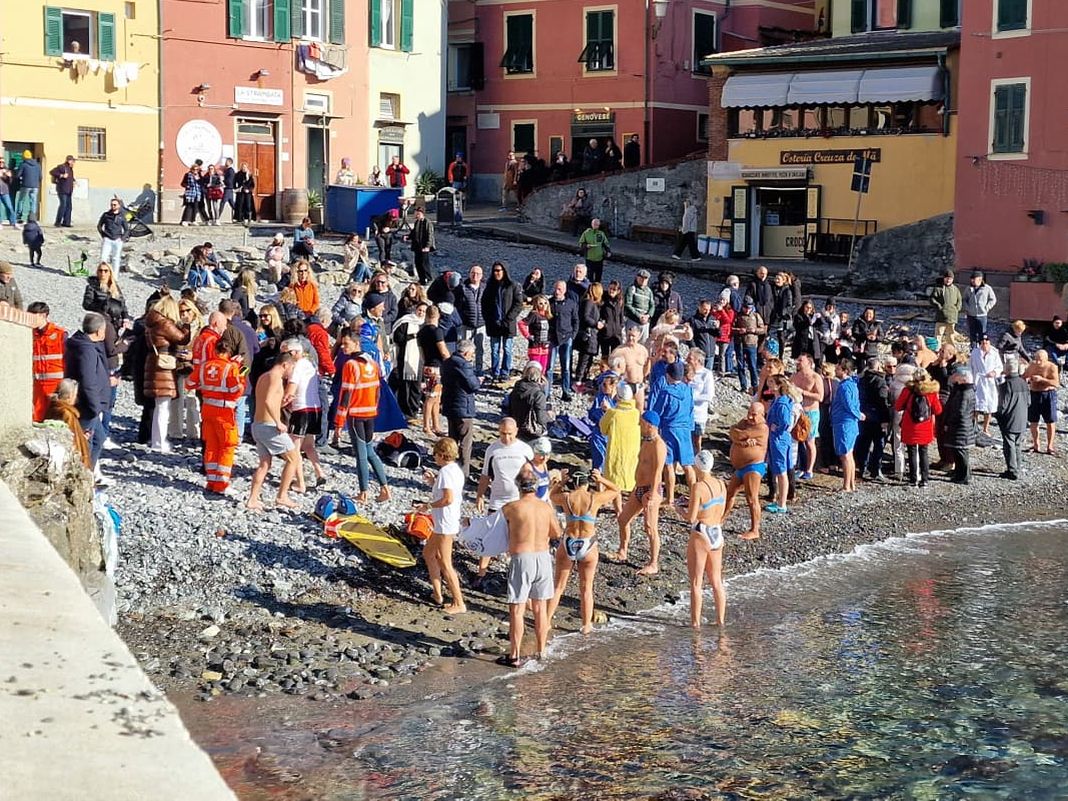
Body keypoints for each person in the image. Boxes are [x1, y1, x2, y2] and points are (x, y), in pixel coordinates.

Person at [499, 464, 561, 667]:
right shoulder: (546, 508)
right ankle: (541, 651)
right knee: (540, 607)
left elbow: (497, 532)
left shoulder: (510, 508)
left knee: (517, 609)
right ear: (535, 487)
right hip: (542, 557)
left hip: (522, 558)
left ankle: (515, 655)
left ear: (518, 486)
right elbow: (556, 534)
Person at [546, 468, 620, 634]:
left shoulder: (566, 497)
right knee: (586, 588)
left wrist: (562, 482)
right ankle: (586, 625)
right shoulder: (594, 498)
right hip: (588, 543)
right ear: (588, 482)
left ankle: (546, 621)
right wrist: (601, 479)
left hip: (569, 541)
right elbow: (616, 490)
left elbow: (551, 496)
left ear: (574, 482)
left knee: (558, 587)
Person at [334, 331, 392, 503]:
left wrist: (338, 423)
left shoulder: (351, 364)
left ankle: (363, 492)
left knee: (360, 454)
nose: (343, 347)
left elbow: (346, 395)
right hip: (370, 414)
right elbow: (377, 390)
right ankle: (385, 488)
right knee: (369, 451)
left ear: (356, 343)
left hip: (356, 414)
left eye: (346, 344)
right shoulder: (372, 363)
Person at [610, 410, 667, 575]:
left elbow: (658, 471)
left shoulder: (658, 445)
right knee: (623, 519)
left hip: (651, 490)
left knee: (650, 527)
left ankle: (653, 563)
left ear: (649, 425)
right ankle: (622, 551)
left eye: (642, 423)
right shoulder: (646, 441)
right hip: (639, 488)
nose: (639, 425)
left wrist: (652, 494)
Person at [418, 437, 467, 614]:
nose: (434, 458)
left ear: (442, 454)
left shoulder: (446, 472)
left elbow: (448, 499)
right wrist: (433, 482)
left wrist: (428, 506)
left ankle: (459, 602)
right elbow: (447, 492)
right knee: (429, 553)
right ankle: (437, 594)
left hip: (445, 522)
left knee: (446, 562)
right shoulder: (454, 470)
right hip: (446, 521)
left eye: (435, 454)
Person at [246, 352, 299, 510]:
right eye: (291, 368)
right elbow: (268, 401)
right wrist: (278, 422)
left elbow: (266, 402)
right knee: (293, 459)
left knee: (264, 464)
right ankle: (282, 496)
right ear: (285, 365)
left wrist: (283, 403)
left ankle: (252, 499)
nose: (291, 372)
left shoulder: (264, 376)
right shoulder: (276, 378)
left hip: (257, 425)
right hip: (269, 426)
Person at [193, 338, 244, 495]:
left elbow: (189, 383)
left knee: (211, 445)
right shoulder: (230, 368)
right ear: (229, 353)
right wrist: (241, 375)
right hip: (224, 412)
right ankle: (222, 484)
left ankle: (212, 481)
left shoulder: (203, 367)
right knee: (227, 446)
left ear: (215, 351)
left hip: (207, 410)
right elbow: (237, 390)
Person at [64, 313, 113, 474]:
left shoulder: (81, 344)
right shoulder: (87, 350)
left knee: (99, 439)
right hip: (86, 406)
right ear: (99, 331)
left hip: (88, 404)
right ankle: (83, 478)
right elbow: (88, 380)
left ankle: (88, 475)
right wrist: (95, 407)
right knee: (86, 444)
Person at [686, 450, 726, 628]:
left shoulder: (698, 487)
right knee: (716, 581)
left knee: (696, 582)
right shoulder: (721, 484)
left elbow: (691, 517)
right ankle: (720, 621)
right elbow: (721, 509)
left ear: (697, 466)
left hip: (702, 532)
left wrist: (678, 509)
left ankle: (695, 625)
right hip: (717, 531)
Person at [282, 338, 327, 492]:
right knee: (309, 445)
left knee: (293, 449)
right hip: (315, 408)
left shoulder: (297, 367)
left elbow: (291, 389)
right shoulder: (310, 364)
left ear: (295, 352)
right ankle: (319, 471)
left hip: (301, 409)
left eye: (286, 353)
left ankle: (300, 483)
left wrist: (278, 404)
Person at [650, 360, 695, 506]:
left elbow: (657, 412)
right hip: (685, 430)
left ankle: (669, 498)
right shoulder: (688, 390)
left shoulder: (666, 392)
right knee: (687, 464)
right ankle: (694, 495)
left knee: (669, 464)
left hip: (669, 429)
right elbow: (691, 409)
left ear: (668, 375)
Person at [722, 402, 769, 541]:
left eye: (754, 415)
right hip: (740, 467)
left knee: (752, 498)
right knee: (730, 492)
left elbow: (742, 434)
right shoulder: (745, 421)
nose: (750, 417)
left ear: (762, 415)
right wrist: (741, 441)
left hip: (753, 466)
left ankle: (755, 530)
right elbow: (732, 431)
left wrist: (740, 437)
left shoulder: (762, 428)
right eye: (749, 413)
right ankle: (721, 519)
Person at [895, 367, 942, 488]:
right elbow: (938, 410)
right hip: (925, 426)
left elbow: (898, 406)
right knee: (924, 452)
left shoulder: (908, 390)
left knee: (911, 452)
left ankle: (913, 479)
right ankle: (925, 479)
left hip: (910, 425)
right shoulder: (931, 392)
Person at [441, 339, 480, 477]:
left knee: (452, 440)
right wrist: (478, 381)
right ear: (466, 352)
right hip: (463, 407)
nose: (472, 356)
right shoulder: (464, 365)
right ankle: (463, 473)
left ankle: (448, 467)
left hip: (449, 405)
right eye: (472, 353)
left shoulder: (447, 362)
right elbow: (473, 386)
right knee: (465, 443)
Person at [481, 261, 522, 383]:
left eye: (499, 270)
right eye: (495, 270)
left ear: (504, 271)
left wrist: (509, 318)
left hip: (507, 324)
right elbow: (484, 304)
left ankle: (505, 372)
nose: (497, 273)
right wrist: (488, 319)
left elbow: (518, 304)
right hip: (494, 324)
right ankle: (495, 372)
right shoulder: (490, 286)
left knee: (507, 349)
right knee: (494, 350)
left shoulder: (513, 286)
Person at [854, 357, 891, 481]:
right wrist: (886, 418)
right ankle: (876, 469)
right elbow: (882, 401)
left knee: (864, 443)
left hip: (864, 415)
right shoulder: (880, 381)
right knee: (879, 444)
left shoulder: (861, 380)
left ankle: (862, 468)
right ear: (878, 367)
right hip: (877, 416)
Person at [600, 381, 640, 491]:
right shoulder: (636, 413)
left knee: (614, 483)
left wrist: (606, 411)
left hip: (616, 451)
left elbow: (603, 429)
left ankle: (617, 507)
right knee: (630, 472)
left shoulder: (613, 413)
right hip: (632, 450)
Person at [44, 379, 92, 470]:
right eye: (75, 395)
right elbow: (71, 440)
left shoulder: (53, 407)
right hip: (71, 462)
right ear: (70, 396)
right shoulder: (67, 414)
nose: (76, 398)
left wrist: (81, 436)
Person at [830, 357, 861, 492]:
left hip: (844, 422)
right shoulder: (851, 384)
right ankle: (851, 484)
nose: (835, 371)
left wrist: (858, 414)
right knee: (849, 454)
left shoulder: (845, 386)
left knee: (845, 454)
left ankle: (846, 485)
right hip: (847, 421)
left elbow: (849, 404)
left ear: (845, 370)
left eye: (838, 368)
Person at [942, 365, 977, 485]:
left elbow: (961, 411)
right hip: (960, 426)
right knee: (958, 452)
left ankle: (964, 476)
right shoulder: (961, 389)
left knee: (961, 452)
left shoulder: (965, 393)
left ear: (962, 378)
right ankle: (960, 474)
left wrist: (950, 421)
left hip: (961, 427)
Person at [791, 353, 824, 479]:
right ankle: (798, 466)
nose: (797, 362)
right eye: (797, 360)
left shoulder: (816, 377)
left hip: (811, 412)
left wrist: (803, 392)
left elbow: (820, 397)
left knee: (810, 441)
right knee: (796, 440)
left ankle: (809, 469)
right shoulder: (794, 376)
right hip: (797, 411)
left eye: (800, 360)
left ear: (809, 363)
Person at [996, 359, 1029, 480]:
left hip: (1010, 419)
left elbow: (1003, 405)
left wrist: (997, 415)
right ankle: (1017, 468)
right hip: (1022, 418)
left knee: (1009, 445)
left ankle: (1012, 470)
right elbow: (1028, 402)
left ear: (1007, 370)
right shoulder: (1024, 382)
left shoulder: (1006, 385)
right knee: (1018, 444)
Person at [1023, 349, 1060, 454]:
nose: (1038, 362)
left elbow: (1056, 383)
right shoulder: (1032, 365)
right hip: (1034, 394)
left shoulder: (1052, 367)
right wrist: (1028, 379)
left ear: (1046, 359)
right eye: (1036, 359)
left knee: (1050, 421)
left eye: (1041, 360)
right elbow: (1024, 376)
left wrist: (1042, 380)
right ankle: (1036, 444)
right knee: (1033, 421)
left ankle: (1050, 446)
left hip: (1047, 394)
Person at [547, 280, 578, 400]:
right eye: (555, 289)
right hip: (553, 339)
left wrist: (573, 336)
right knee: (550, 368)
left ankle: (565, 391)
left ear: (564, 290)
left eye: (559, 289)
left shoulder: (571, 304)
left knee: (566, 368)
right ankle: (547, 392)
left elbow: (576, 320)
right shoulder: (549, 303)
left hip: (566, 338)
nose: (557, 291)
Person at [969, 334, 1003, 437]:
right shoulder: (975, 353)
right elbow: (970, 366)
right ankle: (973, 426)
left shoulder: (994, 353)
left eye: (986, 343)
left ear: (989, 343)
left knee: (989, 405)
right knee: (975, 405)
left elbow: (1000, 367)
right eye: (983, 343)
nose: (985, 344)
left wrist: (994, 372)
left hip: (990, 382)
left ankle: (985, 428)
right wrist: (971, 379)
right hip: (978, 381)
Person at [573, 282, 603, 390]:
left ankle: (582, 379)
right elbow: (585, 317)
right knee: (584, 358)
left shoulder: (589, 302)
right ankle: (578, 381)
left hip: (591, 334)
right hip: (588, 334)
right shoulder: (589, 302)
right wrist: (596, 323)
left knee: (588, 358)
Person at [508, 361, 548, 441]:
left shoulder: (517, 386)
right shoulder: (538, 394)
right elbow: (540, 417)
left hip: (516, 424)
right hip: (530, 429)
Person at [733, 299, 764, 393]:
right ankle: (743, 386)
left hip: (751, 343)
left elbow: (763, 329)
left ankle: (755, 386)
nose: (747, 310)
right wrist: (739, 330)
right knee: (740, 365)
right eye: (745, 307)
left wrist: (754, 330)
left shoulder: (756, 316)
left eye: (749, 308)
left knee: (752, 366)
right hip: (740, 343)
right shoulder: (738, 316)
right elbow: (732, 328)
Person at [963, 270, 997, 348]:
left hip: (982, 315)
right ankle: (973, 349)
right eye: (971, 279)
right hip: (971, 315)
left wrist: (987, 307)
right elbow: (964, 299)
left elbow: (993, 299)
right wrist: (967, 308)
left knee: (982, 333)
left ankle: (983, 348)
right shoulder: (968, 288)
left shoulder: (987, 288)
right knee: (972, 333)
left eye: (974, 279)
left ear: (980, 279)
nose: (972, 281)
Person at [95, 197, 129, 273]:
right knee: (103, 258)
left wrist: (122, 238)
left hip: (118, 240)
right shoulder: (106, 215)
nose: (113, 206)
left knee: (116, 259)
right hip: (107, 239)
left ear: (119, 206)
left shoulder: (122, 216)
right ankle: (102, 276)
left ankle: (114, 277)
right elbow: (99, 226)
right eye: (111, 205)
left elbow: (126, 229)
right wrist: (103, 235)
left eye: (114, 205)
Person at [929, 269, 962, 345]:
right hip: (941, 317)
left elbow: (959, 299)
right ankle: (937, 351)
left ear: (952, 279)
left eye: (950, 278)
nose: (948, 280)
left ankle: (951, 352)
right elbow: (932, 299)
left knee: (950, 335)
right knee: (938, 335)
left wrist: (957, 308)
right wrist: (939, 307)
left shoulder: (955, 289)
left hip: (952, 317)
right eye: (947, 278)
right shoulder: (938, 288)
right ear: (944, 278)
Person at [624, 269, 655, 341]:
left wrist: (648, 315)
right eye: (641, 278)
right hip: (633, 321)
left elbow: (652, 305)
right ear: (637, 277)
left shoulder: (649, 291)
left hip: (645, 322)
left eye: (645, 278)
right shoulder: (632, 289)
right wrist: (639, 316)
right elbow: (628, 304)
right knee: (630, 342)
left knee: (643, 344)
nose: (643, 280)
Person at [409, 207, 436, 284]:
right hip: (417, 246)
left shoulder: (427, 222)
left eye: (418, 214)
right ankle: (421, 279)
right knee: (417, 263)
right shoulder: (417, 222)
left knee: (424, 263)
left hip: (424, 247)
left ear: (422, 214)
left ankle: (428, 278)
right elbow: (414, 233)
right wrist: (408, 236)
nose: (416, 215)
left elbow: (430, 235)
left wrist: (427, 246)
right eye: (416, 213)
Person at [577, 218, 610, 283]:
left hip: (599, 258)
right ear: (592, 224)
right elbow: (580, 243)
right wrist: (586, 246)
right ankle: (589, 289)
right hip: (589, 258)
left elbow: (605, 243)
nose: (596, 226)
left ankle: (597, 290)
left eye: (597, 225)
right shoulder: (586, 233)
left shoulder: (601, 234)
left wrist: (608, 251)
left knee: (598, 277)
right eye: (595, 224)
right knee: (589, 277)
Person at [15, 151, 42, 224]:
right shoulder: (38, 165)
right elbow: (40, 177)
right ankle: (32, 218)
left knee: (21, 200)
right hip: (35, 186)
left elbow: (18, 175)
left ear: (24, 157)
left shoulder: (23, 164)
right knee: (33, 201)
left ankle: (19, 217)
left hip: (25, 185)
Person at [50, 155, 76, 227]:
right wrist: (61, 175)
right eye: (73, 161)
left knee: (69, 206)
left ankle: (66, 222)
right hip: (62, 189)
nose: (74, 163)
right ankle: (58, 222)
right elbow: (52, 172)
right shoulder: (62, 167)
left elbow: (70, 177)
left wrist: (73, 181)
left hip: (69, 190)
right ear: (69, 161)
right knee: (63, 205)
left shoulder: (70, 169)